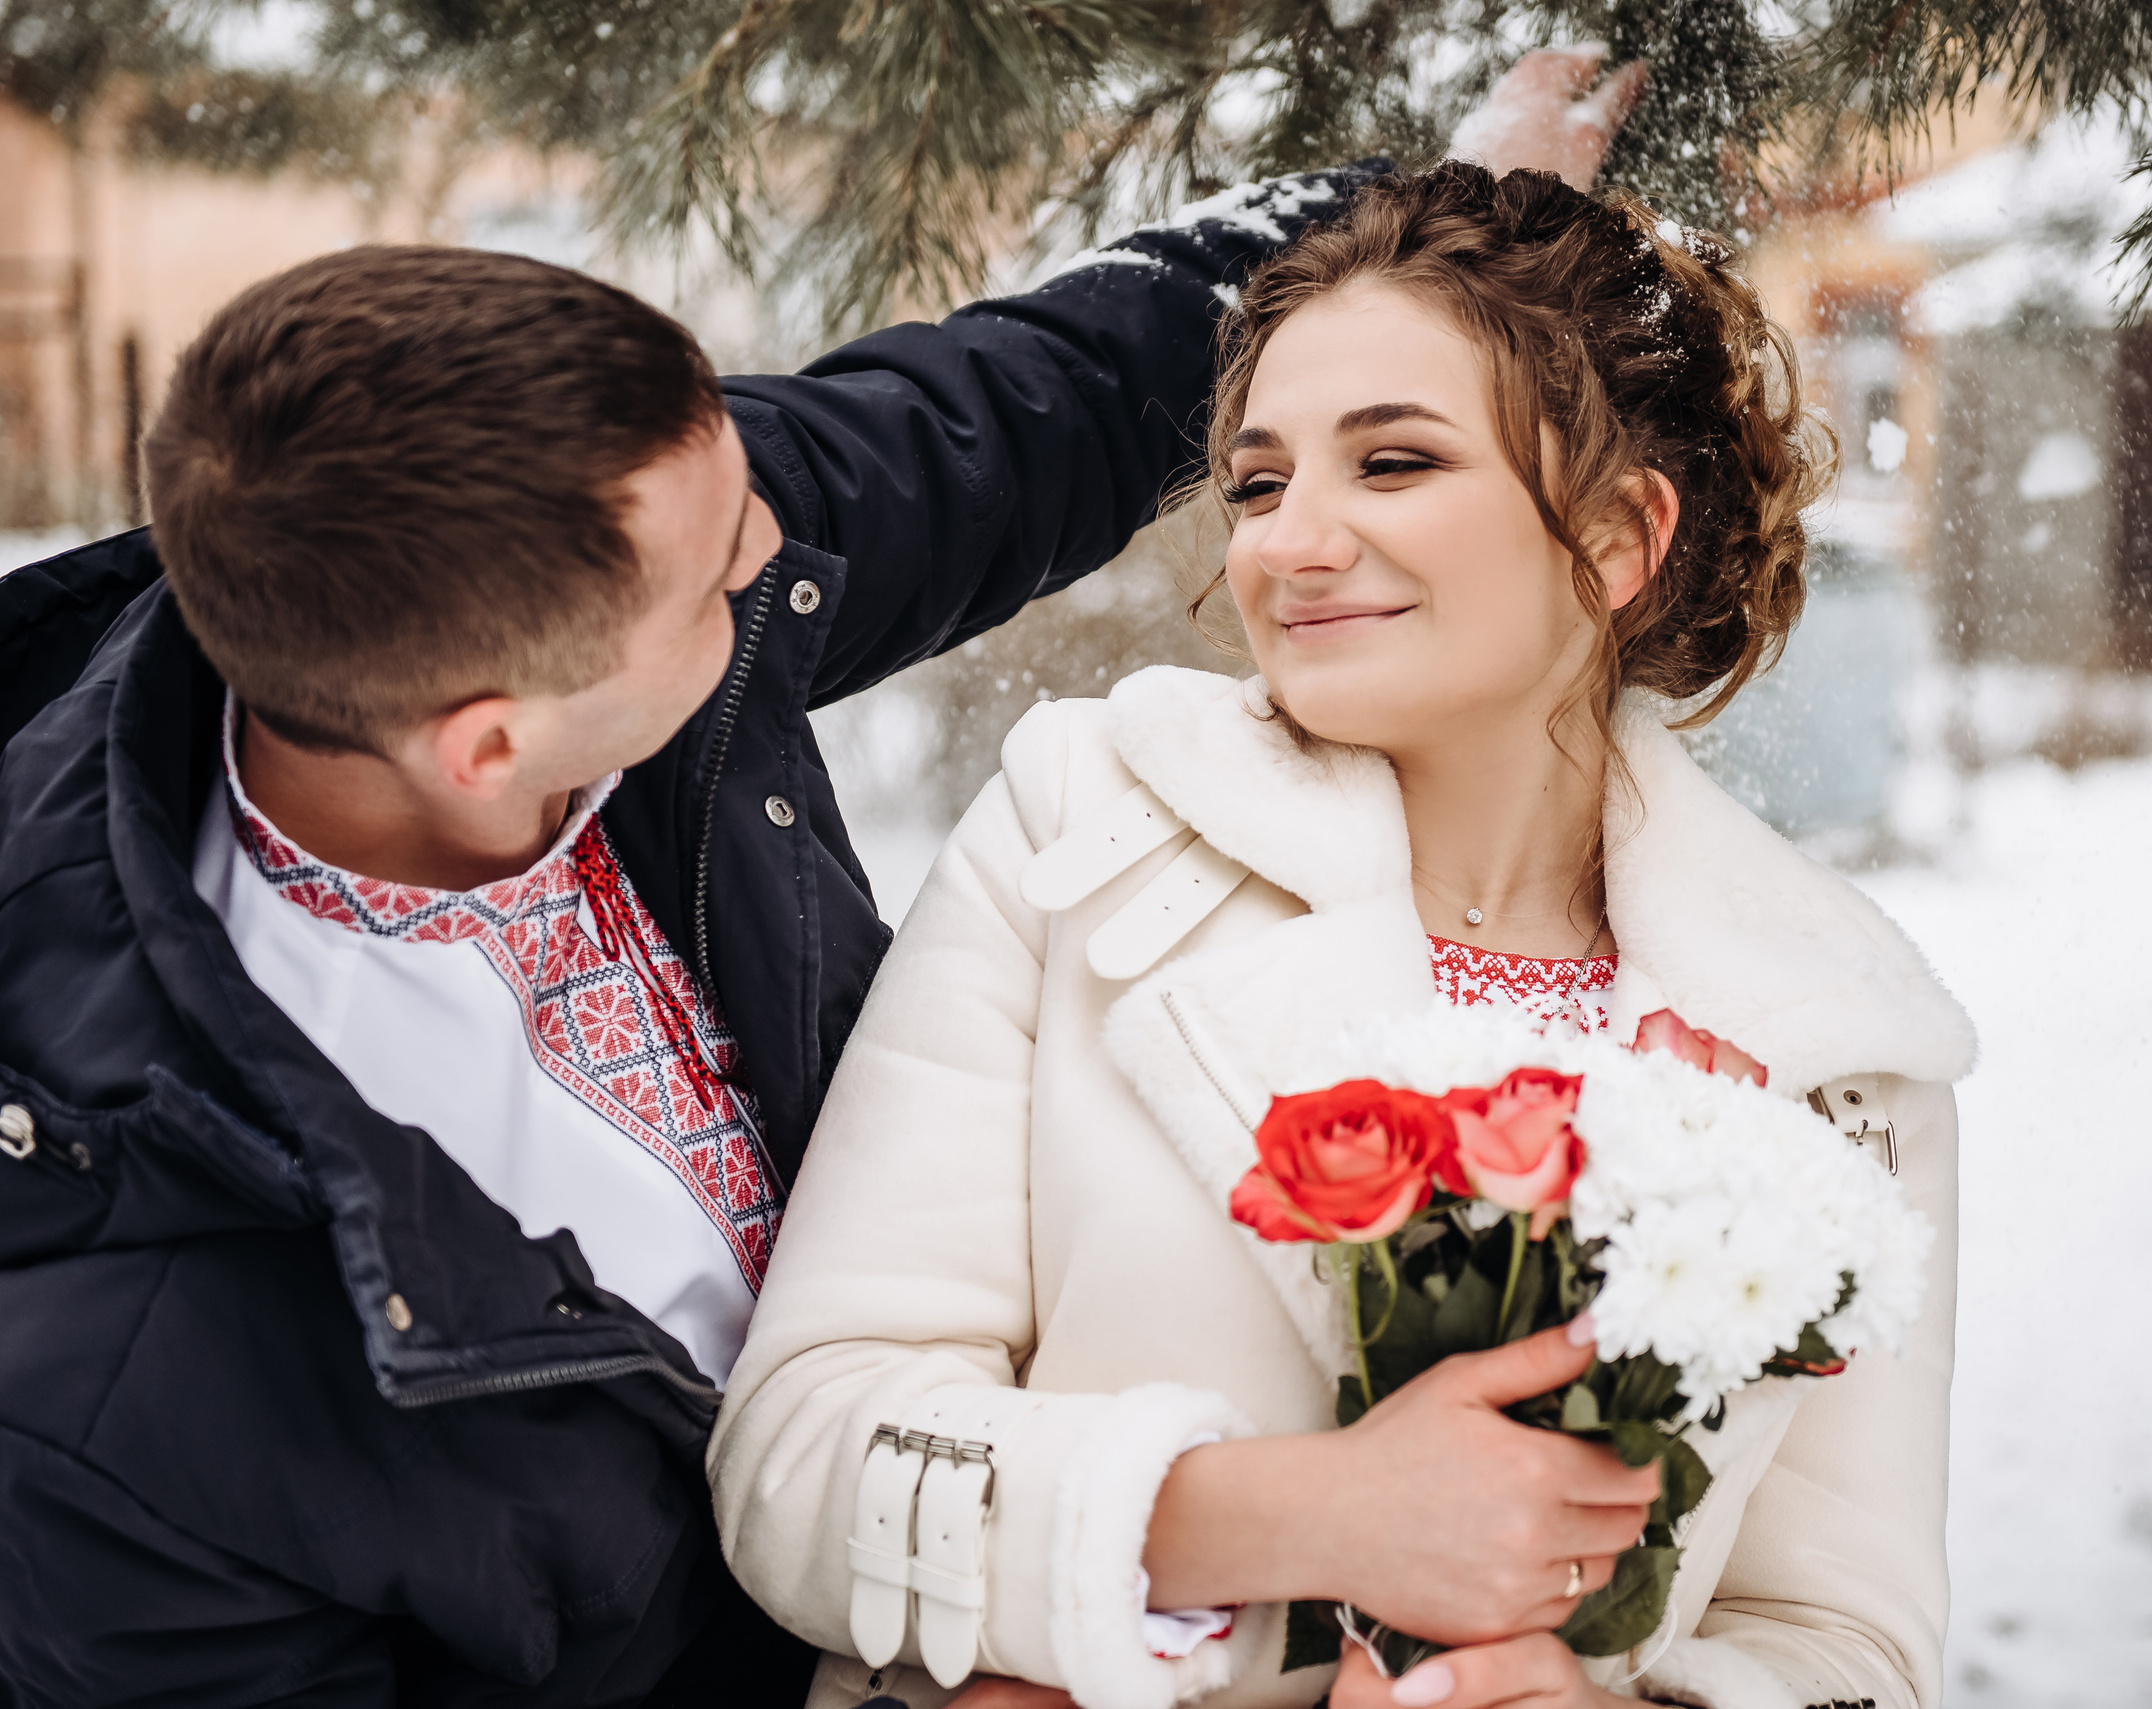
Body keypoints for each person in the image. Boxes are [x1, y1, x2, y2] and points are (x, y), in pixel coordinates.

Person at [0, 58, 1634, 1707]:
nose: (778, 564)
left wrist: (1420, 207)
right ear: (487, 747)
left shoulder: (569, 544)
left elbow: (1005, 413)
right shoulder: (114, 1408)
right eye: (721, 585)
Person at [712, 162, 1977, 1709]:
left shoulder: (1837, 1028)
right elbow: (802, 1452)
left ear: (1620, 537)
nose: (1286, 544)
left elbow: (1848, 1640)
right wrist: (1272, 1518)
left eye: (1392, 463)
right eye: (1256, 482)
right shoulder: (1083, 836)